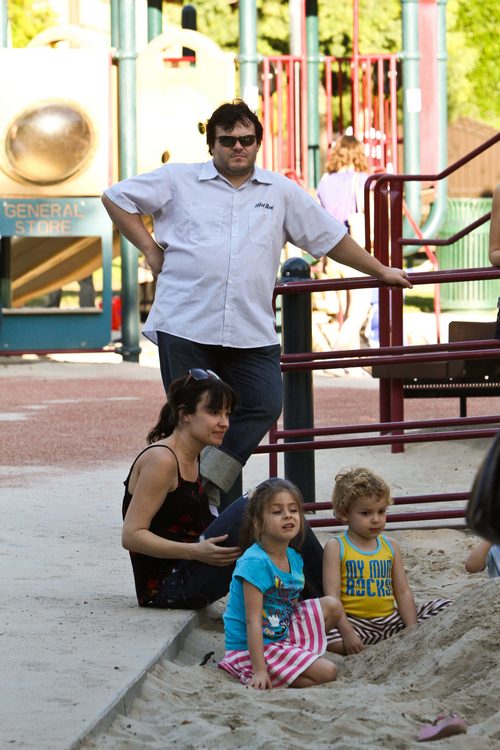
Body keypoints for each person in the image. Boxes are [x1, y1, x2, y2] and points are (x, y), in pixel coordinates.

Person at [102, 100, 412, 510]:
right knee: (192, 418)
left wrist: (379, 270)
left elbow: (329, 237)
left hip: (250, 327)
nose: (237, 147)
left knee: (266, 401)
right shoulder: (179, 179)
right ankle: (180, 505)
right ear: (211, 143)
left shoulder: (279, 191)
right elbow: (116, 197)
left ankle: (203, 483)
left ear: (257, 143)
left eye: (246, 140)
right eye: (227, 140)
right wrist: (150, 249)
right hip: (186, 322)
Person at [122, 371, 325, 608]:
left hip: (191, 567)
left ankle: (323, 606)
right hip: (169, 585)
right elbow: (131, 536)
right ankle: (332, 605)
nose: (225, 423)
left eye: (227, 414)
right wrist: (194, 551)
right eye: (214, 412)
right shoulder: (162, 460)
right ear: (185, 414)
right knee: (269, 498)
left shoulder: (192, 455)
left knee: (280, 510)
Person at [218, 478, 346, 689]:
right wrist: (260, 670)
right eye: (277, 512)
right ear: (258, 523)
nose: (288, 515)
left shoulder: (293, 557)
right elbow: (252, 621)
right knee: (328, 672)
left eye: (293, 510)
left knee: (331, 606)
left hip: (280, 630)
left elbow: (290, 604)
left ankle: (291, 661)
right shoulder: (255, 563)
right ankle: (260, 670)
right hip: (251, 647)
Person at [323, 467, 452, 654]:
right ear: (344, 514)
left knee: (444, 606)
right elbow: (332, 597)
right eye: (366, 513)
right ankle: (367, 648)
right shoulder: (336, 547)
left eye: (381, 511)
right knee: (321, 632)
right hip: (355, 624)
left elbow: (403, 591)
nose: (376, 519)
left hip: (390, 621)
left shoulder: (390, 546)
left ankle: (391, 644)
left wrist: (412, 630)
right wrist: (348, 633)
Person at [317, 135, 375, 356]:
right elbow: (369, 214)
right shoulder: (361, 180)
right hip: (355, 250)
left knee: (344, 311)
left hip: (332, 252)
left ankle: (350, 365)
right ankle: (335, 355)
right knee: (358, 310)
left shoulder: (324, 181)